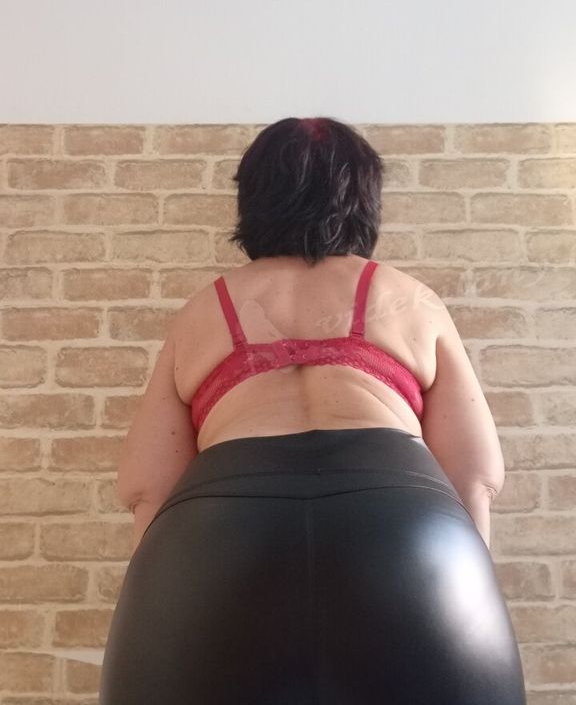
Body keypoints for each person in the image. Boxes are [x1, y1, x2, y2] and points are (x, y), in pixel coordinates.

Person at [98, 116, 527, 704]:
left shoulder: (204, 310)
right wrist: (467, 587)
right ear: (364, 199)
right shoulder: (409, 299)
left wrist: (163, 602)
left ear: (253, 198)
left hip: (225, 538)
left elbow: (146, 486)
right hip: (400, 531)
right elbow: (475, 475)